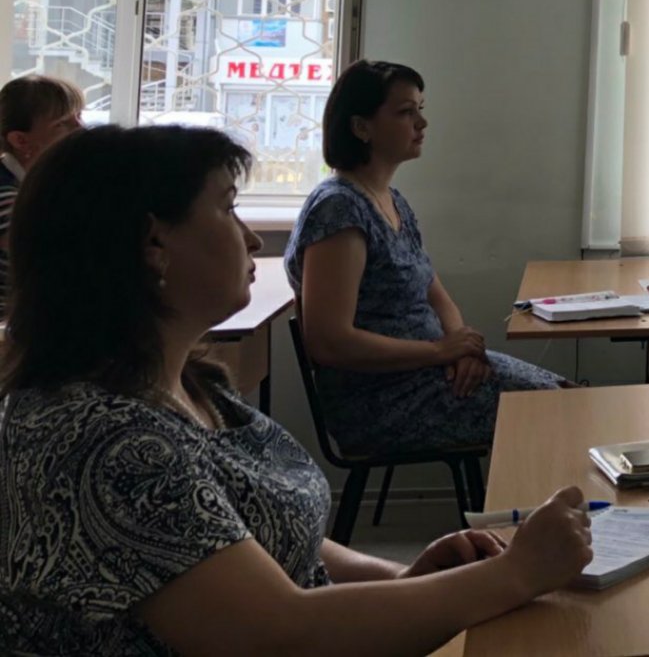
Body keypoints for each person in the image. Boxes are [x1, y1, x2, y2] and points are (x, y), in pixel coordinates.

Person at [0, 125, 594, 655]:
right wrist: (515, 574)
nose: (252, 240)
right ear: (154, 244)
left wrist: (407, 579)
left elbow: (265, 538)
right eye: (228, 209)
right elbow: (282, 635)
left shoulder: (193, 387)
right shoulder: (103, 440)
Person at [286, 61, 565, 456]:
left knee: (570, 398)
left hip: (428, 373)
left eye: (420, 108)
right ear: (361, 127)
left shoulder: (391, 201)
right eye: (405, 112)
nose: (422, 123)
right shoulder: (338, 211)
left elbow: (437, 296)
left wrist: (461, 348)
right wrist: (440, 351)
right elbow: (330, 342)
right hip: (384, 400)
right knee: (562, 412)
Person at [0, 74, 83, 311]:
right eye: (62, 124)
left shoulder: (39, 184)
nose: (80, 128)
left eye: (79, 116)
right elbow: (50, 255)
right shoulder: (6, 194)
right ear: (20, 140)